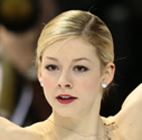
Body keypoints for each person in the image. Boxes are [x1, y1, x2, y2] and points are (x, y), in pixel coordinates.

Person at [0, 9, 142, 140]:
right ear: (40, 73)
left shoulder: (129, 129)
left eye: (79, 68)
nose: (63, 81)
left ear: (107, 74)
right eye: (52, 67)